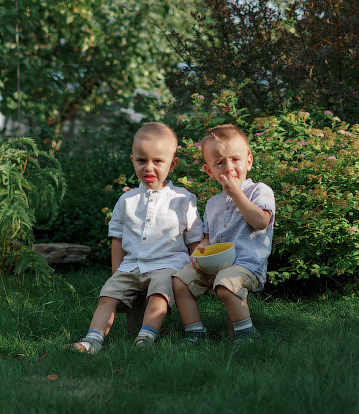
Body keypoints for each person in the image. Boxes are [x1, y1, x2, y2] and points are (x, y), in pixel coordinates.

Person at [73, 122, 202, 353]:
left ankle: (146, 337)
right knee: (107, 295)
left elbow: (195, 240)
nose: (148, 167)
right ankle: (93, 340)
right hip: (131, 266)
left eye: (157, 161)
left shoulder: (183, 198)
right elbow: (117, 238)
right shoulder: (127, 200)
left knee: (160, 292)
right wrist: (117, 272)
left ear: (172, 164)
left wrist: (194, 274)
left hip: (167, 265)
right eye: (142, 161)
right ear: (133, 161)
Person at [173, 124, 275, 342]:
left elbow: (260, 222)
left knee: (225, 282)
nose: (228, 168)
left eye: (235, 160)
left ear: (248, 161)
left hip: (247, 265)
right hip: (215, 267)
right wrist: (201, 247)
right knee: (180, 281)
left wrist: (237, 194)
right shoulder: (212, 204)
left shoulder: (260, 191)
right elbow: (208, 237)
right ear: (210, 171)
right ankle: (195, 332)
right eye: (220, 163)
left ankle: (245, 335)